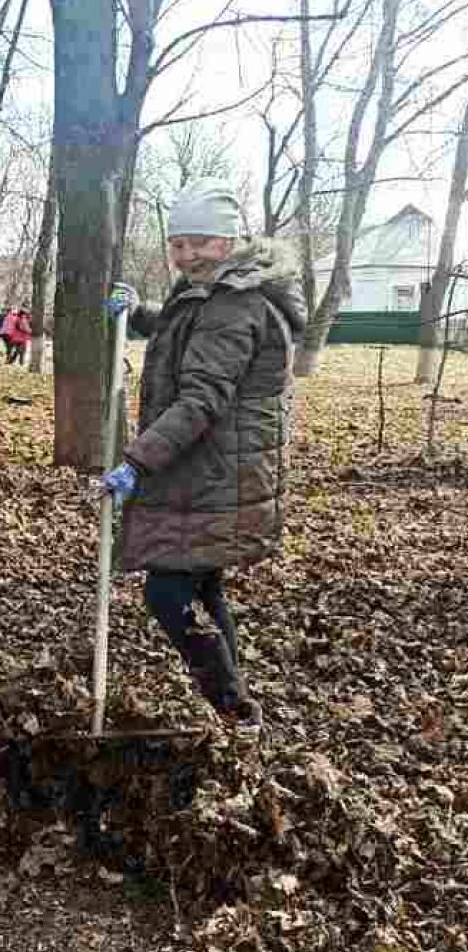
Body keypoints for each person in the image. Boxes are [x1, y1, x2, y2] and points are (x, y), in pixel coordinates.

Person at [101, 185, 307, 735]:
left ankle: (233, 708)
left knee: (168, 592)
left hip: (216, 470)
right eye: (178, 244)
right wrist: (141, 314)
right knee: (201, 586)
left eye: (201, 242)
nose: (187, 255)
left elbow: (202, 399)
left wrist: (137, 462)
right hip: (216, 467)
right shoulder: (218, 291)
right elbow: (189, 335)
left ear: (230, 240)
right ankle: (238, 709)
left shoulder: (235, 303)